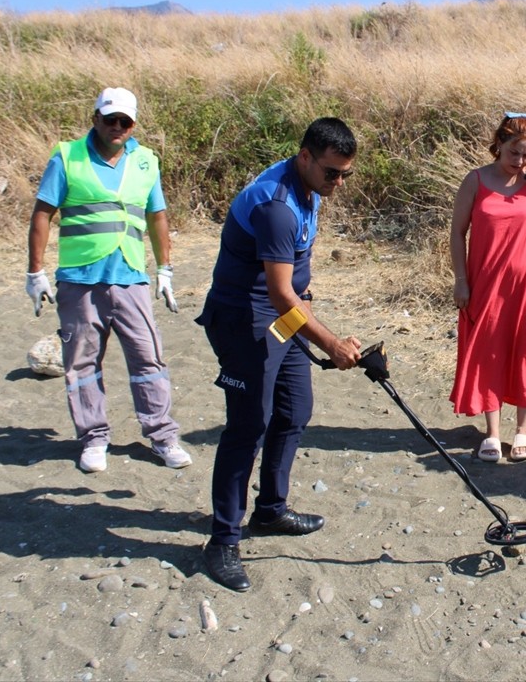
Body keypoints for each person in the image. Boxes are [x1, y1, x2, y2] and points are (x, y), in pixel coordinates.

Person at [196, 117, 363, 592]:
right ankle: (222, 540)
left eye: (346, 174)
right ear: (305, 156)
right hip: (244, 319)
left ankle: (270, 510)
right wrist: (331, 343)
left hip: (280, 317)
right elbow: (280, 293)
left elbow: (293, 283)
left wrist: (310, 317)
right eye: (332, 173)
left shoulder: (309, 186)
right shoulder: (277, 206)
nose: (338, 183)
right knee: (248, 426)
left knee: (294, 409)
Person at [26, 87, 191, 474]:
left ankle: (162, 436)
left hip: (130, 277)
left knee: (149, 359)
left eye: (126, 121)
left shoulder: (146, 161)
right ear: (95, 118)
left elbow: (157, 217)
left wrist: (164, 269)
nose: (118, 126)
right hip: (80, 280)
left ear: (134, 125)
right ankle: (93, 438)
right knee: (82, 364)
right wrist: (35, 272)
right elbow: (42, 213)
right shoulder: (67, 156)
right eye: (111, 119)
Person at [449, 112, 526, 463]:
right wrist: (461, 280)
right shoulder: (475, 180)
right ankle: (492, 432)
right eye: (513, 153)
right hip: (486, 281)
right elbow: (457, 233)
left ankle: (524, 430)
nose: (519, 161)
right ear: (499, 144)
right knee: (488, 350)